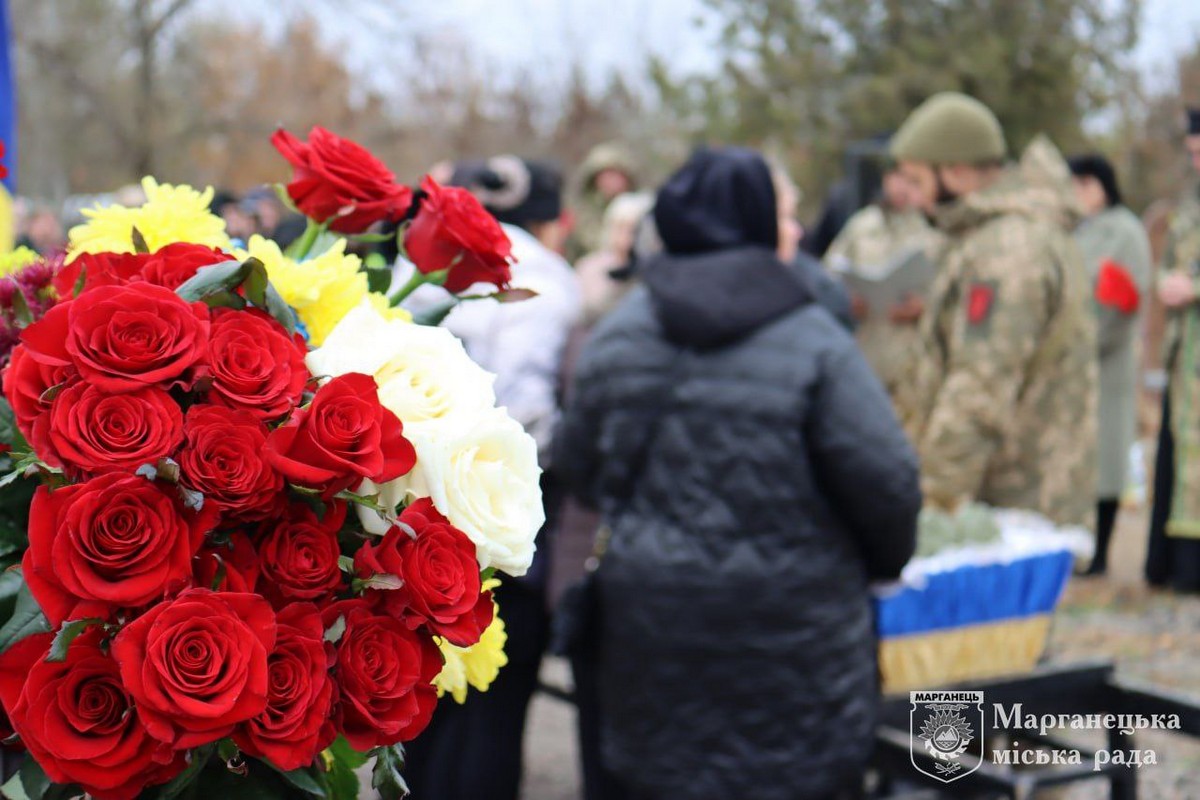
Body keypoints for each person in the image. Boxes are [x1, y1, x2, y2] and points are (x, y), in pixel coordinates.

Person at [557, 147, 921, 800]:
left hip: (650, 637)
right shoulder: (816, 341)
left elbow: (578, 469)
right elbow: (889, 484)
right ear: (758, 222)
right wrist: (872, 564)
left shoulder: (618, 336)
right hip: (796, 644)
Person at [401, 156, 581, 800]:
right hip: (507, 516)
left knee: (423, 696)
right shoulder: (551, 281)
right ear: (552, 220)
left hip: (413, 509)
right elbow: (532, 416)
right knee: (495, 713)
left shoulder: (421, 262)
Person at [892, 92, 1097, 527]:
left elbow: (978, 390)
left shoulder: (1008, 251)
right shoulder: (999, 236)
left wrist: (932, 506)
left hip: (1009, 509)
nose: (910, 197)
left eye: (917, 180)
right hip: (1008, 504)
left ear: (959, 172)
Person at [1067, 154, 1152, 575]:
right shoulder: (1074, 230)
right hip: (1071, 363)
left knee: (1107, 456)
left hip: (1108, 360)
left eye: (1085, 184)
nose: (1078, 194)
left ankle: (1101, 552)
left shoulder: (1126, 230)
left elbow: (1129, 294)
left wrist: (1093, 341)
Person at [825, 162, 938, 395]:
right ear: (886, 179)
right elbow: (827, 276)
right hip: (867, 357)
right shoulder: (861, 225)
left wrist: (926, 308)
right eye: (897, 178)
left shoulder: (935, 228)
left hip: (915, 366)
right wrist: (845, 300)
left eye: (912, 181)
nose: (902, 188)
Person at [1146, 107, 1200, 591]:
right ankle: (1175, 565)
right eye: (1193, 153)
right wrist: (1167, 283)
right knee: (1178, 458)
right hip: (1185, 357)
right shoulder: (1187, 210)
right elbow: (1168, 262)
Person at [568, 142, 639, 260]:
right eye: (605, 175)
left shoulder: (637, 209)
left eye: (616, 174)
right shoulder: (582, 212)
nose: (611, 181)